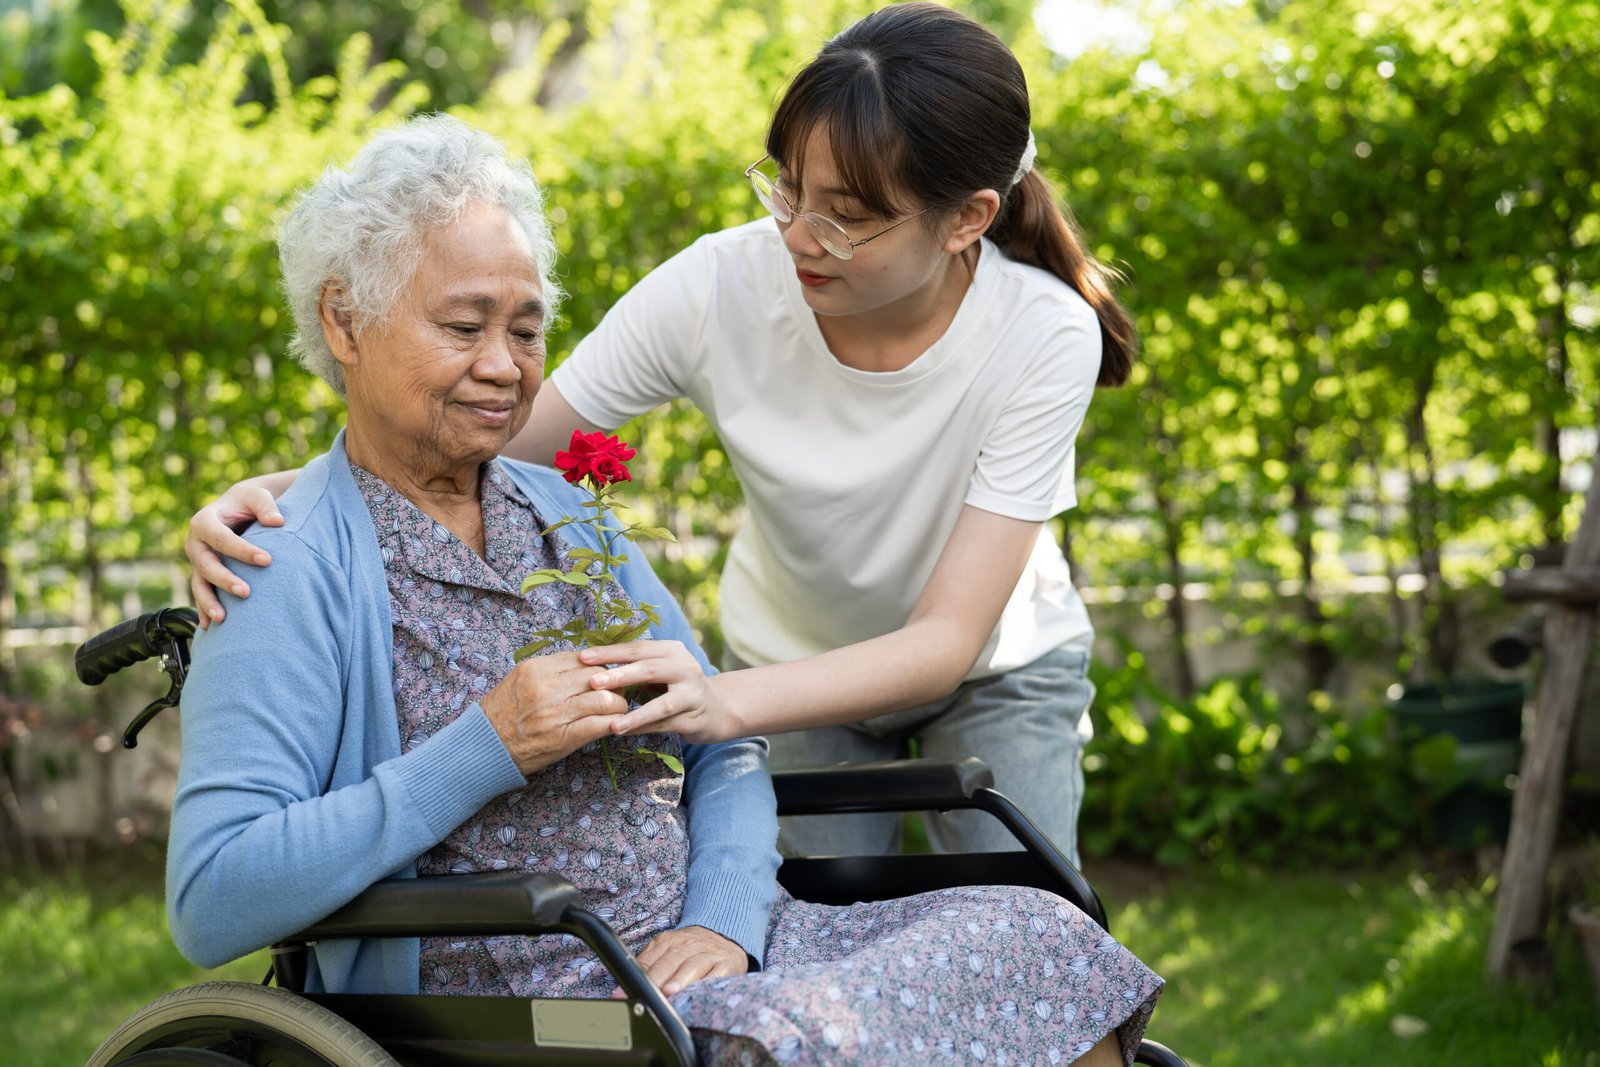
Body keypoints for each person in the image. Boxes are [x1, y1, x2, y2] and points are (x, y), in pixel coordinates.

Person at [170, 113, 1161, 1067]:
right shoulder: (280, 568)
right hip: (540, 987)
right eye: (463, 324)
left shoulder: (567, 519)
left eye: (525, 329)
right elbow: (212, 895)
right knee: (819, 1035)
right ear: (343, 319)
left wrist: (720, 918)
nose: (502, 366)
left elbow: (714, 741)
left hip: (708, 952)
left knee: (1035, 932)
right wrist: (487, 744)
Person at [183, 2, 1134, 866]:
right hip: (792, 661)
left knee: (1029, 909)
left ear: (966, 220)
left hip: (996, 669)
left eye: (845, 219)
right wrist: (285, 498)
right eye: (788, 191)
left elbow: (946, 638)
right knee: (827, 918)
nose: (799, 235)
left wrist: (721, 702)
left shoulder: (1042, 331)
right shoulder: (722, 283)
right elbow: (506, 432)